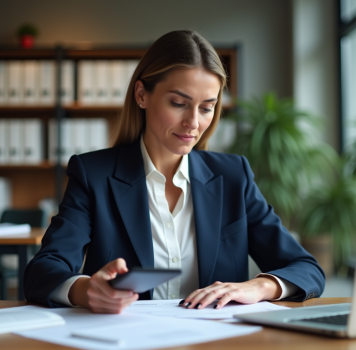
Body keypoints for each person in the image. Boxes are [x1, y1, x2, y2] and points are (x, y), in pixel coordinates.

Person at [24, 30, 325, 314]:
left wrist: (259, 286)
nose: (193, 122)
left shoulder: (234, 176)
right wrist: (87, 289)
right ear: (141, 94)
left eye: (207, 107)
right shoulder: (94, 175)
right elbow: (42, 271)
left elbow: (306, 268)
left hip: (218, 345)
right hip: (124, 344)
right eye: (179, 103)